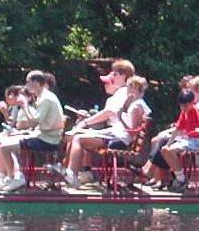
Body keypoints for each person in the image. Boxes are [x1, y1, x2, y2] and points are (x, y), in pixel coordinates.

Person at [55, 59, 138, 187]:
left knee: (78, 138)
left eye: (114, 74)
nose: (112, 76)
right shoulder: (121, 93)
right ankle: (69, 171)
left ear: (123, 76)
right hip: (115, 133)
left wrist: (85, 122)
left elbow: (108, 113)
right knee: (76, 134)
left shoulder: (123, 92)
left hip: (118, 136)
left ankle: (71, 173)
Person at [0, 71, 64, 190]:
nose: (25, 85)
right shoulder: (44, 96)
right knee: (6, 142)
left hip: (47, 140)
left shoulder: (45, 99)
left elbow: (32, 123)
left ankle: (14, 179)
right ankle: (11, 177)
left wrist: (25, 106)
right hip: (43, 135)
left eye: (27, 82)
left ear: (35, 83)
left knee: (5, 147)